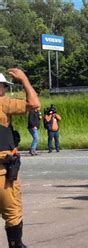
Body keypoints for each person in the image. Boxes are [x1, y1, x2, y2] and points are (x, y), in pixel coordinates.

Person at [0, 68, 40, 248]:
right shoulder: (3, 103)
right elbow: (34, 103)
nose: (6, 90)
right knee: (12, 213)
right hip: (2, 171)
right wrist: (24, 78)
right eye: (4, 87)